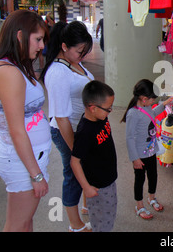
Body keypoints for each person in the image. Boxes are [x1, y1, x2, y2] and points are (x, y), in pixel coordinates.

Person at [0, 10, 51, 231]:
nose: (41, 46)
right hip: (23, 163)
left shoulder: (16, 67)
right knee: (16, 224)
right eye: (38, 39)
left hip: (27, 160)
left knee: (25, 222)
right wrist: (36, 175)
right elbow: (17, 131)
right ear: (20, 36)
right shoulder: (9, 73)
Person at [40, 21, 94, 232]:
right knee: (73, 174)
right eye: (80, 51)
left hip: (80, 128)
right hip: (66, 130)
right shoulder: (57, 72)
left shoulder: (74, 63)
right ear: (64, 46)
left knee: (84, 169)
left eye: (85, 51)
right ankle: (75, 224)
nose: (83, 55)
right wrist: (76, 151)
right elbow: (60, 117)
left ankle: (86, 206)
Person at [121, 79, 173, 219]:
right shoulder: (133, 113)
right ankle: (139, 205)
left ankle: (152, 198)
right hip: (139, 155)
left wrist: (164, 104)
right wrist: (135, 158)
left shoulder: (146, 107)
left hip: (151, 150)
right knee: (139, 180)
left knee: (153, 175)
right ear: (144, 99)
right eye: (152, 99)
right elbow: (129, 138)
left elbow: (152, 113)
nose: (153, 102)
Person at [71, 80, 117, 232]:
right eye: (108, 108)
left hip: (108, 178)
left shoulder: (101, 117)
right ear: (92, 108)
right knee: (102, 219)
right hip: (97, 186)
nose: (110, 111)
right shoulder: (85, 132)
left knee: (109, 213)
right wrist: (87, 188)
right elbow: (75, 162)